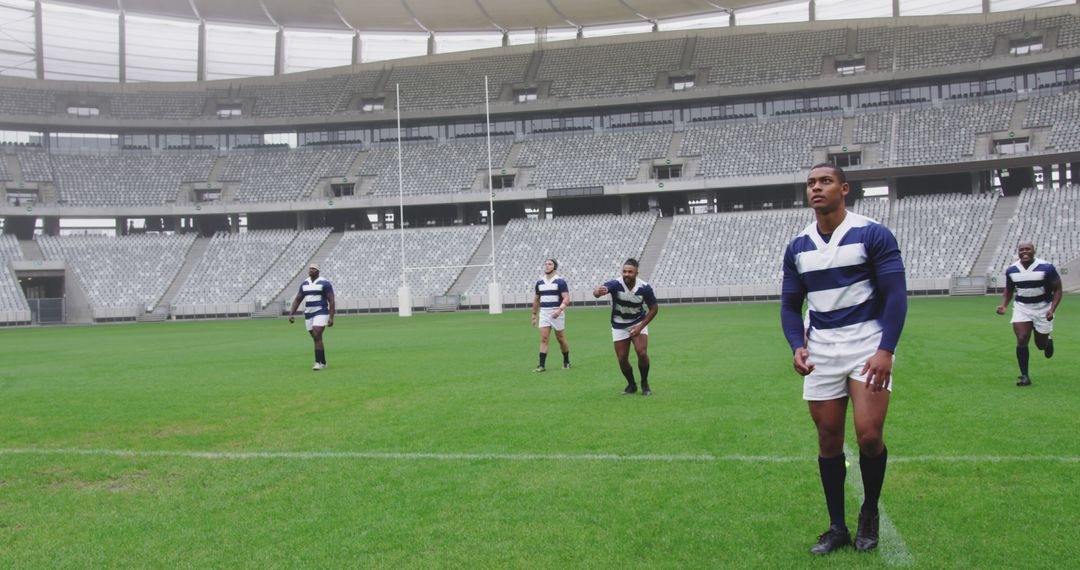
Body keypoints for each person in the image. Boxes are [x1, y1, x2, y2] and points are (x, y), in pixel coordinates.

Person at [780, 163, 907, 554]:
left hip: (867, 344)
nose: (816, 188)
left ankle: (869, 511)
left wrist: (886, 349)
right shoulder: (798, 246)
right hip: (821, 350)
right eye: (811, 183)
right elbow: (789, 305)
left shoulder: (872, 233)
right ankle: (837, 526)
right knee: (828, 437)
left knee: (869, 435)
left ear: (844, 188)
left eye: (825, 181)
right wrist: (795, 345)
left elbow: (896, 294)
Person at [995, 242, 1062, 386]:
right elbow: (1009, 289)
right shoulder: (1012, 270)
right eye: (1021, 250)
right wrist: (1004, 305)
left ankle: (1047, 340)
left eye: (1028, 249)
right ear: (1018, 252)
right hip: (1022, 307)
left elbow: (1057, 290)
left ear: (1034, 251)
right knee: (1022, 338)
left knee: (1040, 345)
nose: (1024, 252)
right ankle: (1024, 376)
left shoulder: (1047, 267)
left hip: (1043, 308)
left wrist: (1052, 309)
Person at [593, 258, 659, 395]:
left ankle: (645, 383)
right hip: (619, 325)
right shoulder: (616, 284)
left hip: (637, 322)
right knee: (622, 358)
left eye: (630, 272)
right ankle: (631, 385)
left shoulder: (644, 288)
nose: (626, 274)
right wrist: (598, 292)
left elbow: (654, 309)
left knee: (641, 352)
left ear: (636, 273)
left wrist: (640, 327)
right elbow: (600, 291)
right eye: (624, 271)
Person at [288, 263, 335, 370]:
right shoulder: (304, 283)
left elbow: (331, 300)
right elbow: (298, 299)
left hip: (321, 312)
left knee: (317, 333)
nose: (311, 270)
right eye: (310, 268)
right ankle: (323, 362)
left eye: (314, 269)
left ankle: (317, 363)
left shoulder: (325, 283)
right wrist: (291, 314)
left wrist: (331, 317)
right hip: (308, 313)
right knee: (316, 338)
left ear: (318, 271)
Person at [531, 258, 570, 372]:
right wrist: (534, 314)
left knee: (560, 338)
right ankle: (542, 365)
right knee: (544, 338)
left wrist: (559, 310)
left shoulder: (560, 281)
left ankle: (566, 361)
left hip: (557, 312)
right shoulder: (539, 282)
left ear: (554, 267)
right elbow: (536, 299)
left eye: (550, 264)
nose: (547, 266)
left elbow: (566, 298)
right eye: (546, 264)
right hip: (544, 312)